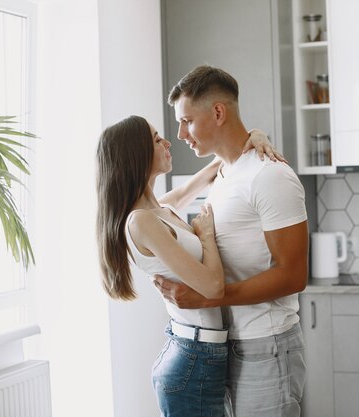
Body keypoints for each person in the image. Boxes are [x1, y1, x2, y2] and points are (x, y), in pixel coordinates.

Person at [95, 115, 282, 416]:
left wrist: (253, 136)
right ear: (136, 155)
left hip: (202, 352)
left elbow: (210, 173)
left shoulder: (161, 209)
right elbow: (213, 287)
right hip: (194, 359)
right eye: (157, 139)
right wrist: (206, 236)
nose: (168, 142)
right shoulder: (140, 221)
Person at [154, 65, 310, 417]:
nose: (179, 133)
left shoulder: (270, 176)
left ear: (218, 112)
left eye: (187, 121)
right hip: (226, 345)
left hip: (266, 346)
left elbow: (293, 276)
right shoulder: (223, 173)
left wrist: (209, 295)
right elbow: (152, 212)